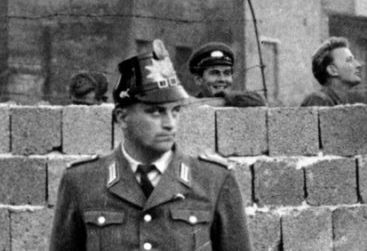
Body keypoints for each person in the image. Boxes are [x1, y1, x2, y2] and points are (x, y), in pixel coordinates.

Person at [49, 39, 252, 251]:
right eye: (155, 111)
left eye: (174, 111)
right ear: (121, 117)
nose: (169, 123)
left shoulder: (214, 181)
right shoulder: (81, 181)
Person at [188, 41, 266, 107]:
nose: (222, 79)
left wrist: (224, 101)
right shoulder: (188, 108)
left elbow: (259, 101)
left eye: (227, 73)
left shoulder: (238, 103)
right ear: (198, 79)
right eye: (215, 73)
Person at [300, 37, 363, 106]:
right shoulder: (319, 100)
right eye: (349, 60)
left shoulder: (343, 101)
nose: (358, 65)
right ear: (332, 70)